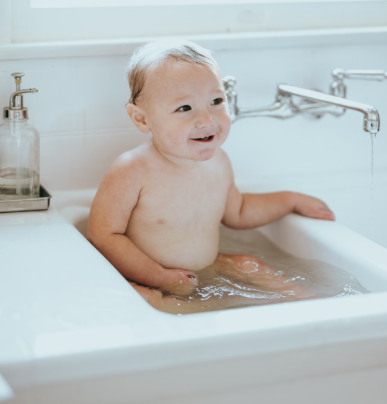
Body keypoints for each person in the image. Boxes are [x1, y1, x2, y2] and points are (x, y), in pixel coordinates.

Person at [87, 39, 335, 313]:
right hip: (144, 276)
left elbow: (237, 212)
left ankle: (306, 302)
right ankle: (173, 307)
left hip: (206, 267)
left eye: (216, 101)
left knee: (250, 264)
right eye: (185, 108)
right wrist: (159, 277)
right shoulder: (132, 170)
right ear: (142, 120)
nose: (207, 120)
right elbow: (103, 236)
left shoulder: (218, 162)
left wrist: (290, 200)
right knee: (141, 300)